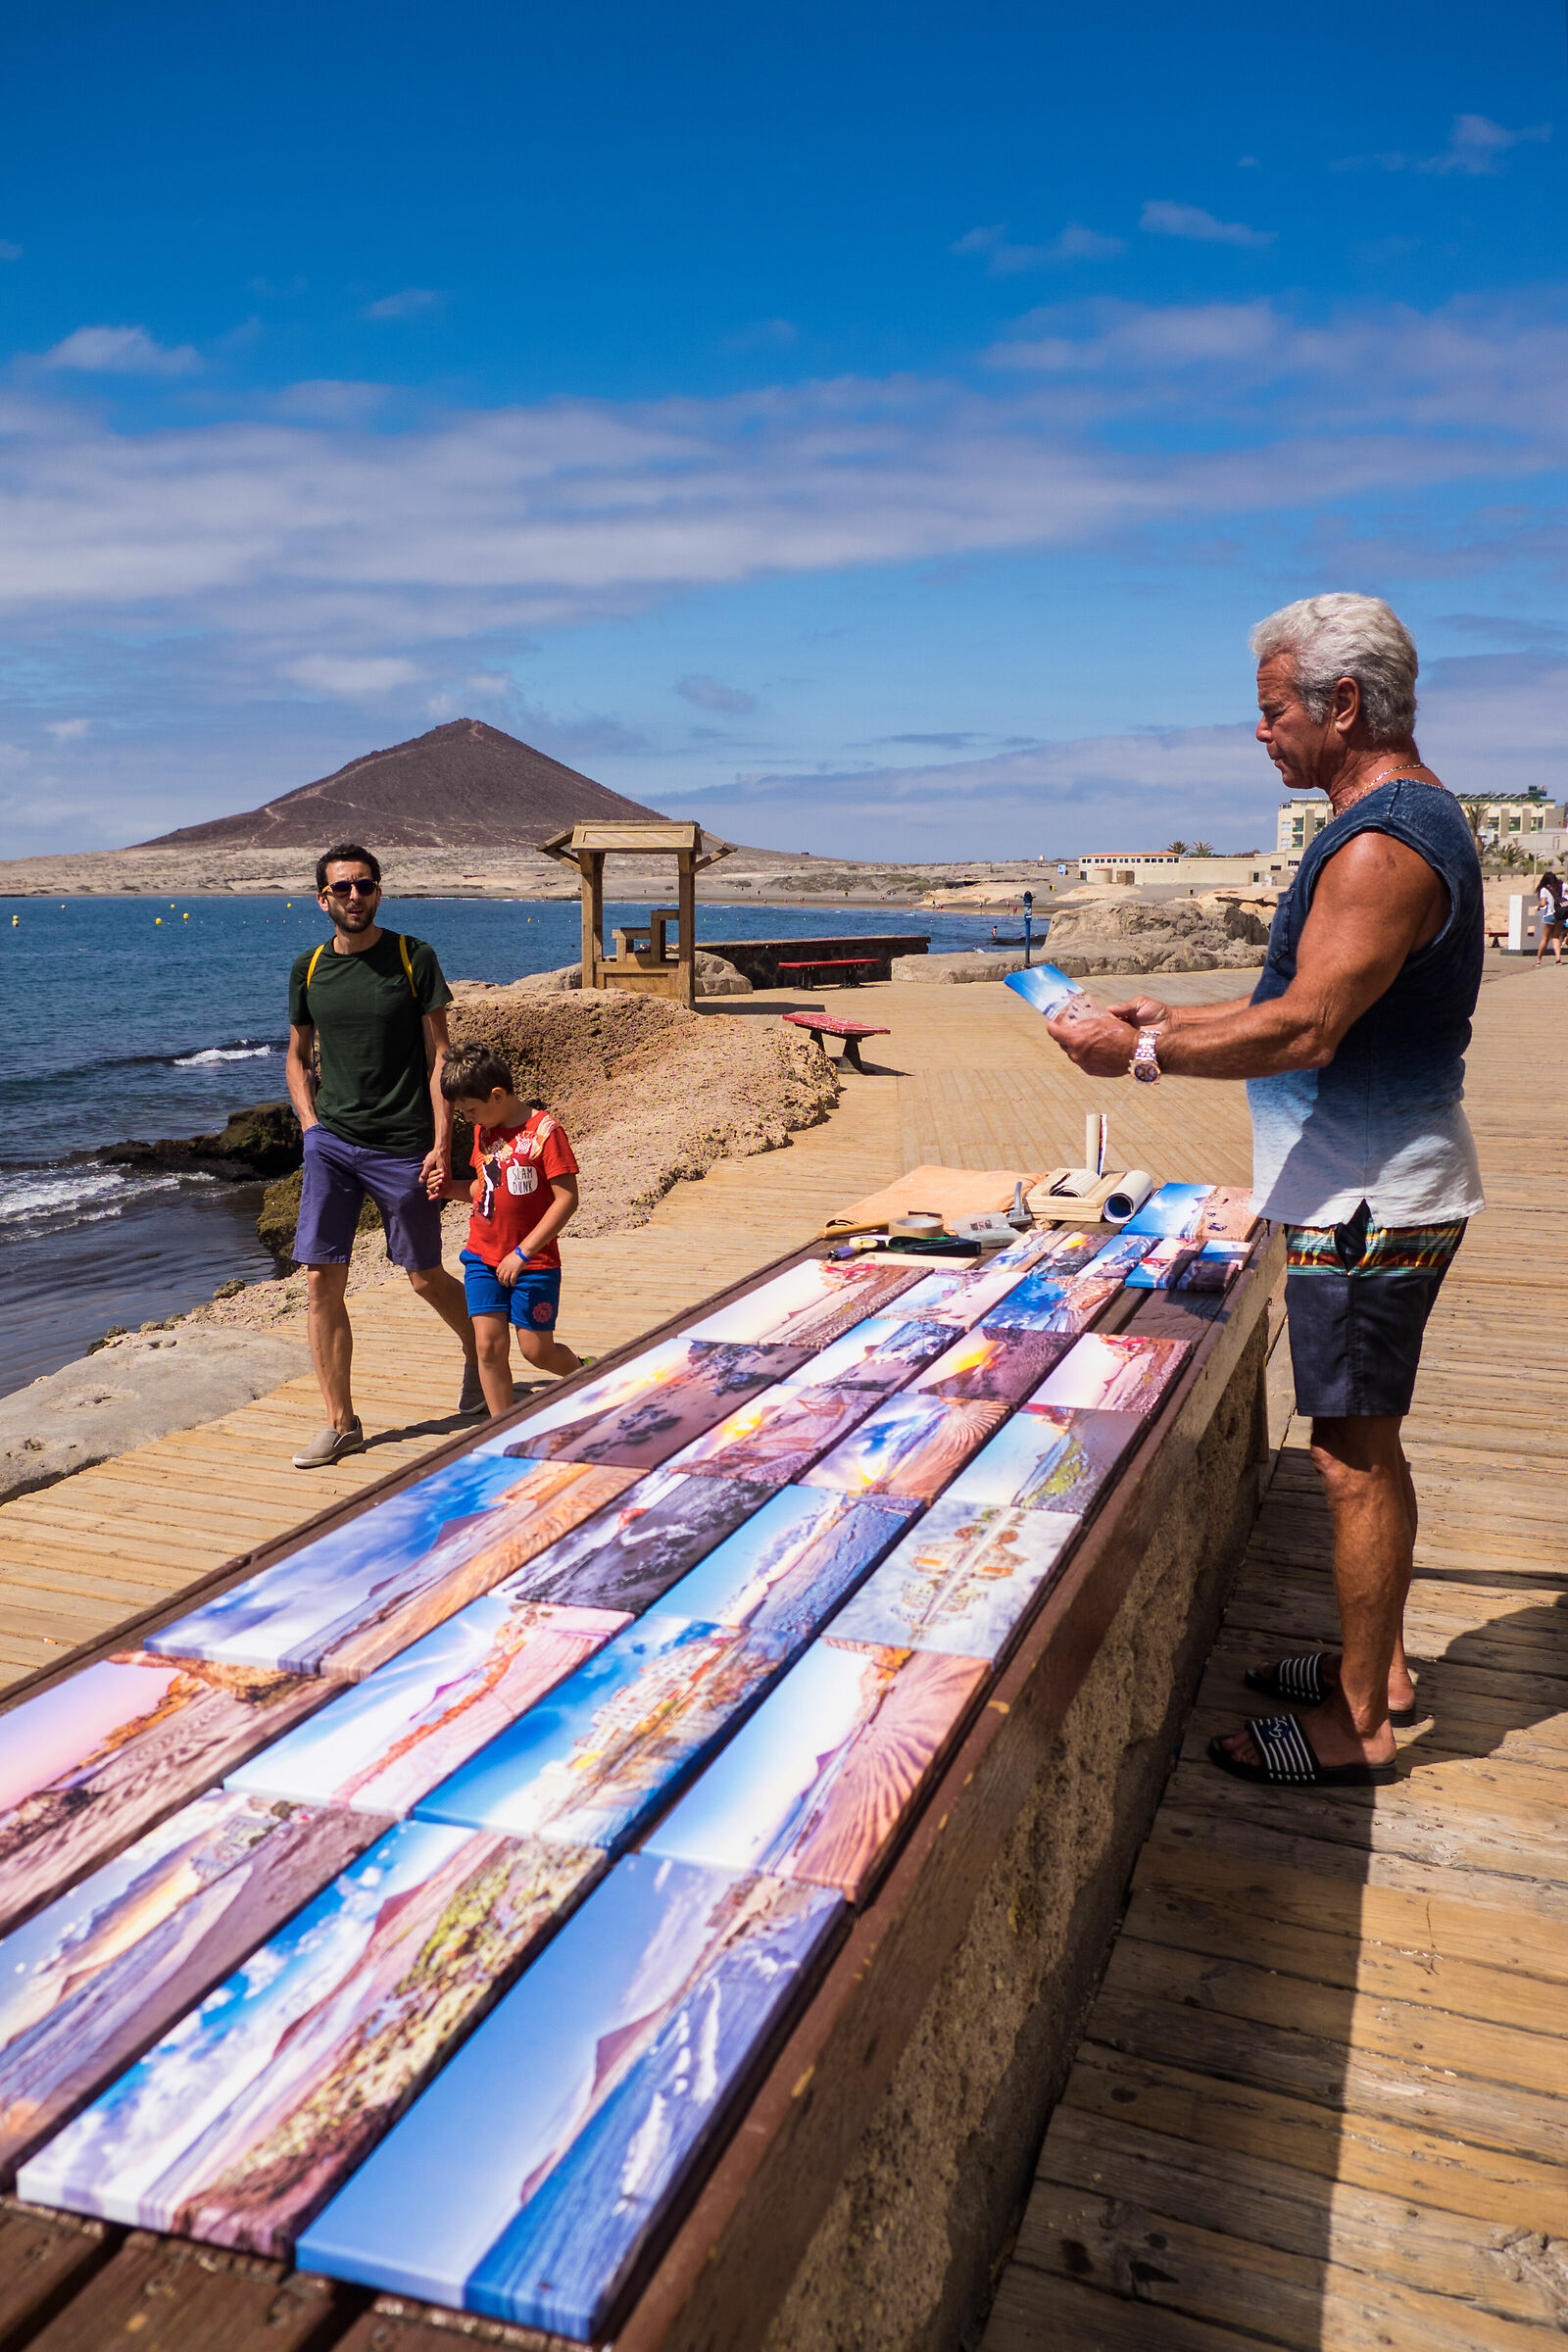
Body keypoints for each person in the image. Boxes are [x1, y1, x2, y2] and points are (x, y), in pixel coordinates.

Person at [1044, 593, 1483, 1789]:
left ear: (1342, 704)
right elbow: (1298, 999)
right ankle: (1378, 1669)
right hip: (1360, 1188)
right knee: (1360, 1441)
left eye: (1271, 707)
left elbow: (1308, 1027)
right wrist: (1169, 1015)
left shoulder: (1382, 845)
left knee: (1349, 1456)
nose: (1258, 730)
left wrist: (1139, 1055)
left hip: (1367, 1201)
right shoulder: (1384, 823)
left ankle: (1360, 1725)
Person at [285, 844, 481, 1466]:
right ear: (322, 898)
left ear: (378, 892)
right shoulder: (309, 968)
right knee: (321, 1280)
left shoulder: (412, 957)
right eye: (342, 888)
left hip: (403, 1146)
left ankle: (481, 1349)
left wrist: (443, 1144)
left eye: (364, 886)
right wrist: (311, 1126)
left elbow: (441, 1056)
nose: (354, 897)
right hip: (331, 1145)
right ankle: (341, 1423)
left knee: (423, 1275)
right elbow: (297, 1055)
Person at [432, 1042, 585, 1414]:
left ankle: (587, 1374)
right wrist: (449, 1189)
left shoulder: (545, 1131)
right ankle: (502, 1430)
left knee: (537, 1351)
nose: (467, 1118)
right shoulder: (484, 1130)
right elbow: (484, 1188)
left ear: (497, 1095)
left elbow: (567, 1199)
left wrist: (523, 1252)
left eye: (470, 1109)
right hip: (483, 1256)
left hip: (533, 1262)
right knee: (488, 1346)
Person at [1534, 870, 1565, 965]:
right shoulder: (1560, 887)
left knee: (1545, 939)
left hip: (1550, 915)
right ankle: (1558, 958)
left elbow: (1543, 903)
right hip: (1560, 914)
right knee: (1556, 937)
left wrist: (1538, 907)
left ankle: (1538, 960)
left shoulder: (1544, 889)